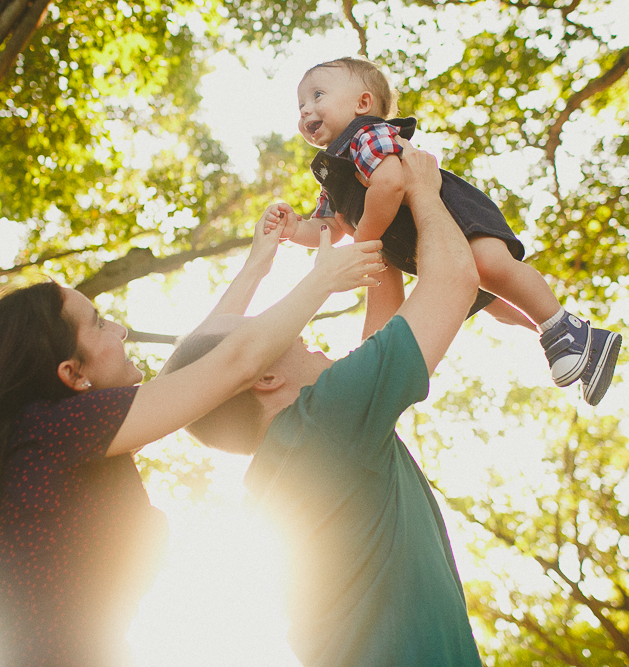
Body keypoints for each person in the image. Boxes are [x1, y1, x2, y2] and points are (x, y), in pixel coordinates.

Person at [0, 211, 384, 667]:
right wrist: (320, 281)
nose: (120, 330)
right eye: (99, 324)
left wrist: (258, 263)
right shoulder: (49, 436)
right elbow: (232, 365)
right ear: (72, 374)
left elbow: (196, 369)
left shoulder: (61, 447)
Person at [162, 148, 486, 667]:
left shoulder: (296, 458)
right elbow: (454, 281)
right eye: (271, 329)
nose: (299, 332)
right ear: (265, 376)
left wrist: (369, 224)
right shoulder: (324, 424)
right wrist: (424, 190)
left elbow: (384, 330)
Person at [267, 56, 621, 406]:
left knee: (490, 266)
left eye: (317, 95)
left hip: (452, 212)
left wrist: (366, 239)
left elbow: (389, 184)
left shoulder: (365, 135)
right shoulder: (333, 175)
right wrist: (294, 228)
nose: (305, 110)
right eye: (300, 104)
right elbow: (329, 228)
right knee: (493, 301)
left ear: (363, 103)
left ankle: (563, 329)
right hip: (426, 242)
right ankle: (578, 340)